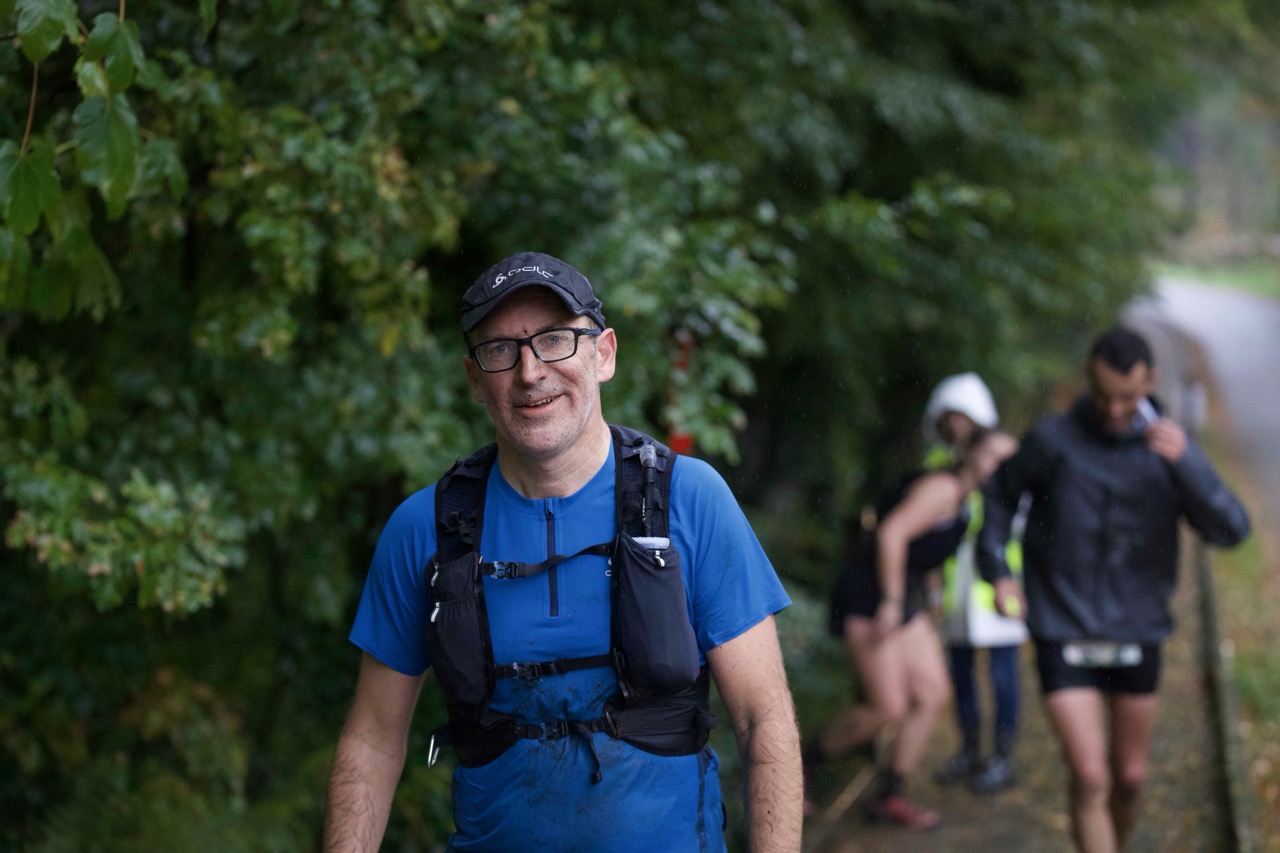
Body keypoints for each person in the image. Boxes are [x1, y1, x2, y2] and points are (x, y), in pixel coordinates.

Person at [322, 251, 803, 852]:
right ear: (475, 379)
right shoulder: (425, 529)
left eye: (554, 340)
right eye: (500, 349)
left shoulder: (689, 500)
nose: (530, 372)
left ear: (603, 354)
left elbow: (763, 721)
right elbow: (371, 740)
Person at [979, 326, 1251, 853]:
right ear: (1089, 378)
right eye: (1103, 395)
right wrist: (1001, 573)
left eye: (1127, 397)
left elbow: (1231, 531)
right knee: (1090, 776)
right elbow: (997, 496)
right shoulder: (1052, 439)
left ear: (1149, 381)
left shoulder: (1169, 450)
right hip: (1063, 624)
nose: (1114, 409)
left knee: (1129, 777)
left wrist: (1188, 463)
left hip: (1137, 627)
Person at [805, 426, 1018, 830]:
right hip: (872, 595)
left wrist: (930, 600)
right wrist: (890, 601)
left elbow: (925, 553)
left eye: (1008, 460)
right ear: (970, 452)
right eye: (993, 455)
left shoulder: (968, 500)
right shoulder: (944, 487)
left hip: (905, 597)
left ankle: (890, 793)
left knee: (932, 693)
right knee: (887, 709)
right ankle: (805, 761)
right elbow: (892, 534)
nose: (999, 466)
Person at [921, 373, 1028, 795]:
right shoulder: (939, 464)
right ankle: (968, 749)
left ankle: (1002, 756)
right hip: (957, 589)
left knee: (1003, 675)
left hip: (997, 585)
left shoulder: (1003, 455)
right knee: (961, 674)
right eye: (950, 418)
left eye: (962, 417)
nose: (956, 426)